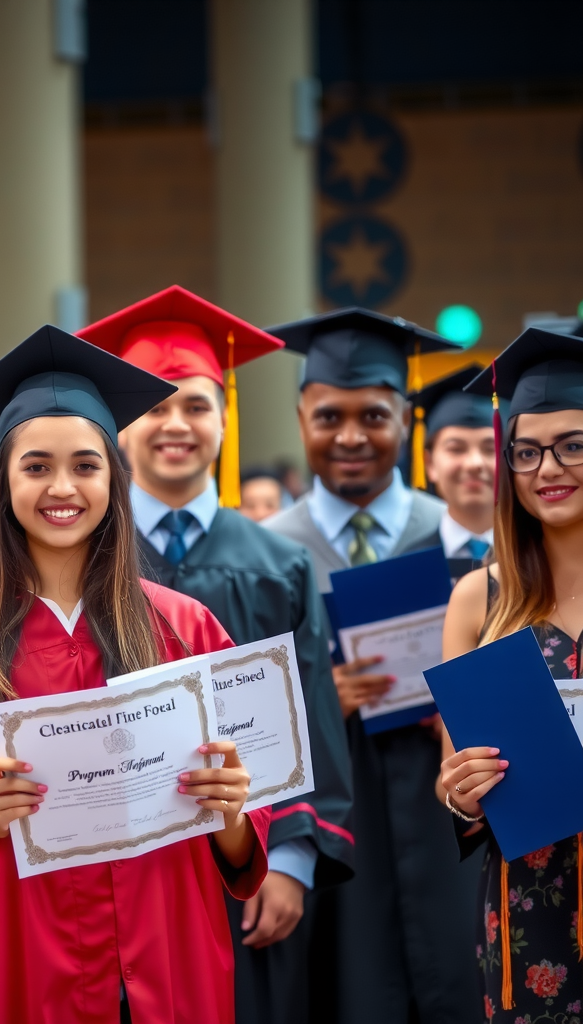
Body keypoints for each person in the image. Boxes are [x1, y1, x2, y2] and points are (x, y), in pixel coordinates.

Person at [0, 324, 272, 1024]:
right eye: (35, 467)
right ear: (0, 479)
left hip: (165, 939)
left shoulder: (185, 626)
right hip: (25, 947)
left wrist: (234, 809)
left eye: (86, 466)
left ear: (114, 478)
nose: (63, 488)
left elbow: (245, 825)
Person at [79, 285, 354, 1024]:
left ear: (225, 419)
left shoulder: (277, 562)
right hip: (116, 863)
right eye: (156, 406)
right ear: (120, 426)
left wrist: (291, 859)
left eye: (196, 405)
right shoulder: (79, 558)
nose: (176, 424)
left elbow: (312, 724)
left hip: (248, 857)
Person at [262, 307, 479, 1024]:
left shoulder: (454, 541)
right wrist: (318, 699)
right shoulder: (264, 553)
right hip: (337, 838)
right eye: (329, 416)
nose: (351, 437)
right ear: (301, 418)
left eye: (373, 416)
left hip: (445, 822)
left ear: (405, 419)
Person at [440, 328, 583, 1022]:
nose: (548, 467)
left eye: (574, 444)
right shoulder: (479, 600)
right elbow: (453, 784)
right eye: (526, 451)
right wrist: (462, 792)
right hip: (529, 906)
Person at [410, 365, 498, 571]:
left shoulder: (542, 560)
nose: (474, 463)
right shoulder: (404, 569)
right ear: (429, 463)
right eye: (456, 449)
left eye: (489, 448)